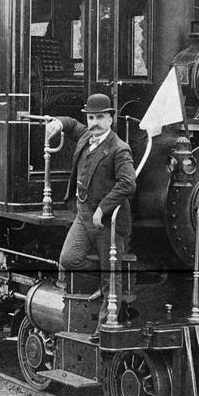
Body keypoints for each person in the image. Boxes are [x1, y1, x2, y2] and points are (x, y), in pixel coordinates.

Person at [45, 93, 136, 337]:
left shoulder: (119, 149)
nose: (95, 122)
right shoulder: (87, 135)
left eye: (100, 117)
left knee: (111, 278)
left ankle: (104, 329)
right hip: (83, 214)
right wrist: (58, 123)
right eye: (91, 117)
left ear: (111, 119)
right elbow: (72, 125)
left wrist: (103, 208)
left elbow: (128, 184)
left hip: (108, 221)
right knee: (69, 259)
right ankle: (109, 276)